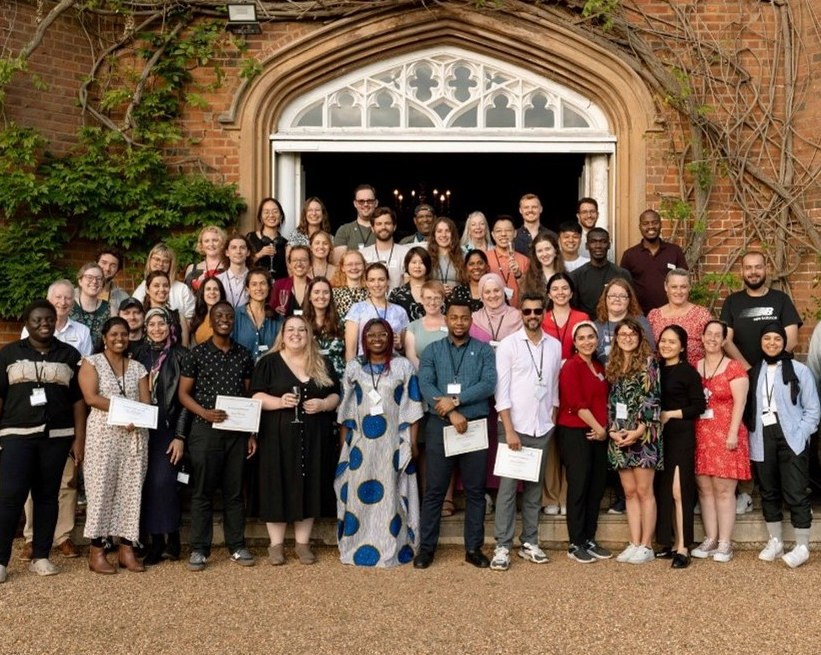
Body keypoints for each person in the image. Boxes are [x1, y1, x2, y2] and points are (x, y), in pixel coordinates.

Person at [0, 300, 86, 582]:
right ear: (27, 323)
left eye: (49, 319)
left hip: (57, 437)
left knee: (48, 497)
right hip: (16, 436)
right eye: (37, 319)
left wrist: (79, 439)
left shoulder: (69, 354)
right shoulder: (9, 353)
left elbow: (78, 402)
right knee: (11, 496)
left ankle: (41, 557)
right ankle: (1, 561)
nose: (44, 324)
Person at [415, 300, 497, 569]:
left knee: (475, 491)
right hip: (440, 425)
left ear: (471, 321)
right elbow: (426, 384)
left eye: (464, 318)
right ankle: (426, 549)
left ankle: (473, 548)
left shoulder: (484, 350)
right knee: (434, 490)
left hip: (474, 426)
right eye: (454, 317)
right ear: (446, 320)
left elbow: (488, 383)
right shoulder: (432, 350)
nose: (459, 322)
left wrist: (456, 401)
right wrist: (451, 413)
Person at [252, 315, 340, 565]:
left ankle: (302, 544)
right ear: (282, 334)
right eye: (290, 329)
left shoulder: (321, 362)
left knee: (309, 483)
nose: (296, 334)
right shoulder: (268, 362)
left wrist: (323, 404)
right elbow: (255, 396)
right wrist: (279, 402)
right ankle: (276, 545)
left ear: (309, 335)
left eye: (302, 329)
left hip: (314, 436)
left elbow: (336, 394)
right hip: (276, 437)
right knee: (276, 484)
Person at [336, 319, 424, 567]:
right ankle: (356, 545)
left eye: (382, 334)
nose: (377, 339)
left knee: (391, 497)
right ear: (364, 339)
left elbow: (413, 406)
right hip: (361, 445)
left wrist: (413, 444)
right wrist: (343, 448)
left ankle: (390, 547)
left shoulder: (402, 366)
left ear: (390, 337)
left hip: (392, 444)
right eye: (371, 335)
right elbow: (345, 412)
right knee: (358, 496)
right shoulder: (354, 367)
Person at [178, 301, 256, 571]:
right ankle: (199, 549)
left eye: (229, 316)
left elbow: (248, 395)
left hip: (236, 432)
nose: (224, 320)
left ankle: (237, 546)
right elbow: (183, 394)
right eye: (219, 316)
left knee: (234, 492)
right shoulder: (196, 354)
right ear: (210, 321)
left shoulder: (243, 355)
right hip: (204, 430)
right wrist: (205, 412)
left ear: (234, 321)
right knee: (203, 491)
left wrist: (251, 432)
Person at [18, 281, 92, 561]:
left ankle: (63, 535)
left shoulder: (81, 333)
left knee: (66, 481)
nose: (63, 302)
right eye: (58, 297)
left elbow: (82, 378)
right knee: (32, 481)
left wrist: (80, 434)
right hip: (31, 420)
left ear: (73, 302)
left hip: (63, 419)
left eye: (68, 298)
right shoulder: (31, 328)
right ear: (49, 300)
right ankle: (32, 537)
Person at [489, 292, 561, 571]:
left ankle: (530, 541)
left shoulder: (554, 345)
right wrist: (509, 430)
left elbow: (553, 386)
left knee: (534, 489)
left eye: (537, 311)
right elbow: (502, 391)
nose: (532, 316)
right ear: (521, 313)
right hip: (514, 427)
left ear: (544, 313)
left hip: (542, 427)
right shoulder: (509, 345)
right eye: (527, 311)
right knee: (508, 490)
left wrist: (552, 418)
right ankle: (502, 546)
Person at [743, 323, 820, 568]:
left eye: (777, 338)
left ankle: (802, 546)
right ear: (761, 342)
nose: (772, 343)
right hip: (761, 435)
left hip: (791, 435)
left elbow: (812, 409)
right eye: (767, 338)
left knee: (796, 490)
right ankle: (775, 540)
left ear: (784, 342)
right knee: (768, 489)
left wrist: (801, 434)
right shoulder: (754, 372)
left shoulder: (799, 370)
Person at [78, 317, 150, 574]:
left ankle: (126, 550)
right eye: (114, 334)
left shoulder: (138, 367)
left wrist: (136, 416)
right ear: (105, 337)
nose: (120, 339)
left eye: (124, 334)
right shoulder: (91, 362)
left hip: (134, 436)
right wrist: (125, 411)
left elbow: (146, 401)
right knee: (101, 490)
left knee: (131, 492)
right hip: (103, 436)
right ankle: (97, 551)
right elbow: (91, 397)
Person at [692, 320, 750, 563]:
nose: (713, 339)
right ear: (702, 337)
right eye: (709, 334)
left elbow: (740, 403)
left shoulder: (734, 367)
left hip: (727, 434)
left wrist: (733, 432)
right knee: (705, 490)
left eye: (718, 335)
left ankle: (725, 542)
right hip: (701, 434)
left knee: (724, 490)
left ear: (725, 340)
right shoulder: (695, 366)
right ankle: (711, 538)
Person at [606, 318, 662, 565]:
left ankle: (647, 545)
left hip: (643, 435)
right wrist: (612, 430)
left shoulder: (649, 363)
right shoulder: (614, 364)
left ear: (640, 337)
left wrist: (638, 431)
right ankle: (635, 541)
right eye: (623, 334)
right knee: (629, 492)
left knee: (643, 491)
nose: (627, 338)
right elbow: (611, 402)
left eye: (632, 334)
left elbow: (652, 399)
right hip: (620, 435)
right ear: (616, 338)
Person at [134, 308, 187, 565]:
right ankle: (155, 541)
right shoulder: (137, 354)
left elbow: (187, 399)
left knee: (164, 482)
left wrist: (180, 435)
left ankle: (173, 538)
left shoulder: (181, 355)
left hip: (168, 426)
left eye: (161, 323)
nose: (157, 328)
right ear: (145, 328)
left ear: (170, 326)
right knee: (146, 483)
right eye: (152, 324)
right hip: (143, 426)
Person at [557, 321, 612, 563]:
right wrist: (599, 428)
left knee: (596, 487)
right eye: (582, 338)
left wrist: (603, 430)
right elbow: (576, 403)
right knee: (579, 486)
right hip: (576, 432)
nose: (587, 341)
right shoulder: (571, 366)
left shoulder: (599, 367)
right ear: (575, 342)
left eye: (591, 337)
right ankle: (575, 542)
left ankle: (589, 538)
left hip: (599, 433)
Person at [653, 325, 705, 569]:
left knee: (678, 491)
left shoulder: (688, 372)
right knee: (664, 491)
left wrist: (670, 414)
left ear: (682, 347)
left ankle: (684, 547)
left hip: (680, 435)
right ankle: (671, 543)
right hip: (658, 438)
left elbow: (699, 406)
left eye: (672, 342)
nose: (666, 345)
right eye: (663, 340)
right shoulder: (655, 369)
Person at [719, 251, 802, 370]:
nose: (753, 272)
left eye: (758, 267)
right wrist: (749, 369)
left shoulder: (781, 299)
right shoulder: (732, 301)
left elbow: (792, 340)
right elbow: (726, 340)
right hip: (743, 373)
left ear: (766, 269)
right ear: (742, 271)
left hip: (777, 370)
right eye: (748, 268)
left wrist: (769, 368)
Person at [620, 210, 688, 314]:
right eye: (646, 223)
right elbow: (623, 287)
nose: (651, 226)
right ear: (640, 227)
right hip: (639, 316)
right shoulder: (629, 255)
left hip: (672, 313)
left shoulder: (674, 251)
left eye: (654, 222)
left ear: (660, 225)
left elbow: (684, 282)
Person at [344, 262, 409, 361]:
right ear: (366, 283)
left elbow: (405, 350)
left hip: (394, 366)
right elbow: (351, 350)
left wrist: (399, 346)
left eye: (381, 279)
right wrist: (352, 369)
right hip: (366, 366)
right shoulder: (357, 309)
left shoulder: (400, 311)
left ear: (387, 281)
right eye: (372, 280)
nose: (377, 284)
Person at [647, 268, 711, 366]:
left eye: (683, 287)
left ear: (689, 287)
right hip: (662, 372)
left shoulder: (701, 315)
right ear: (666, 287)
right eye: (674, 287)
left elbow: (713, 346)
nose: (679, 291)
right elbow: (647, 349)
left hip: (694, 372)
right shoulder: (654, 316)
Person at [570, 228, 632, 318]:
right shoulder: (576, 276)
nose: (598, 246)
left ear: (609, 245)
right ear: (587, 246)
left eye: (603, 242)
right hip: (587, 324)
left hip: (617, 324)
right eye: (593, 242)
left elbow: (631, 306)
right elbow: (573, 310)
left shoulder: (622, 274)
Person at [593, 278, 655, 363]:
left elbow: (650, 353)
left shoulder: (640, 322)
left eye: (622, 296)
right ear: (605, 298)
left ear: (629, 299)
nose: (617, 299)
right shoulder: (595, 326)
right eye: (613, 295)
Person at [132, 243, 196, 321]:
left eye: (165, 261)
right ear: (150, 260)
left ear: (171, 264)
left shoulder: (182, 289)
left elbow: (191, 317)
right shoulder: (142, 287)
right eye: (157, 259)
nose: (160, 264)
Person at [233, 269, 280, 362]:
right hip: (241, 369)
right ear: (247, 289)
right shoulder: (235, 315)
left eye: (263, 283)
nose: (259, 288)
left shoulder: (278, 319)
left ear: (269, 287)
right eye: (254, 284)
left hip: (269, 369)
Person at [303, 276, 345, 378]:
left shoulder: (342, 322)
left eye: (326, 292)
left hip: (338, 377)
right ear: (309, 297)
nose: (321, 296)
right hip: (310, 376)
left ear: (330, 296)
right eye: (316, 292)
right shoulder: (301, 323)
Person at [540, 273, 588, 361]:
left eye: (565, 288)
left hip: (576, 366)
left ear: (571, 293)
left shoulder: (583, 318)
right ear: (549, 295)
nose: (560, 292)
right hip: (549, 366)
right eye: (555, 289)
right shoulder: (542, 319)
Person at [360, 206, 410, 290]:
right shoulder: (362, 254)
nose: (383, 227)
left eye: (387, 223)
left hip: (397, 298)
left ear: (394, 227)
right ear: (372, 228)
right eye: (379, 224)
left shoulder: (405, 253)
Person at [487, 216, 529, 308]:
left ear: (515, 233)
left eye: (508, 230)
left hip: (518, 312)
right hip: (492, 311)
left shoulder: (524, 260)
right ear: (493, 235)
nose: (503, 234)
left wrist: (518, 274)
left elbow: (528, 291)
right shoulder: (485, 258)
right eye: (498, 231)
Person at [470, 273, 523, 347]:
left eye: (496, 290)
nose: (493, 295)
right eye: (487, 292)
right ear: (482, 295)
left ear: (503, 291)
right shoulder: (474, 319)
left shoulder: (518, 317)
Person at [405, 281, 448, 369]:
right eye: (428, 298)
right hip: (421, 374)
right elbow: (411, 356)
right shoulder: (413, 326)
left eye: (437, 298)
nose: (432, 302)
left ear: (443, 299)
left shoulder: (451, 324)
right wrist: (427, 373)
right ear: (421, 299)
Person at [143, 270, 190, 347]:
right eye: (156, 286)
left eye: (165, 285)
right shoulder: (141, 316)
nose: (162, 289)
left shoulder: (179, 317)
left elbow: (185, 349)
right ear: (147, 289)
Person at [333, 184, 378, 262]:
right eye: (361, 201)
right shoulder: (344, 230)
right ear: (355, 203)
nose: (366, 204)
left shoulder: (383, 229)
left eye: (369, 201)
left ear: (376, 203)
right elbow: (339, 263)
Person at [247, 198, 288, 280]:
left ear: (281, 216)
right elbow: (242, 263)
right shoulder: (250, 238)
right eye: (266, 212)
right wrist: (259, 254)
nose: (271, 215)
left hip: (279, 285)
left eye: (275, 212)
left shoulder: (286, 243)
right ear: (261, 217)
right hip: (256, 285)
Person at [70, 262, 110, 345]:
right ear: (80, 281)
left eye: (99, 278)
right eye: (89, 277)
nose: (94, 281)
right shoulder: (68, 306)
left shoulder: (109, 309)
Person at [388, 246, 432, 322]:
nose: (417, 266)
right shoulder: (397, 294)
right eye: (414, 262)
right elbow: (391, 320)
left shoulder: (436, 291)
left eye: (422, 263)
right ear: (407, 265)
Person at [427, 217, 465, 296]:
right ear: (434, 234)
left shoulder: (463, 255)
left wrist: (455, 289)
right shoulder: (426, 255)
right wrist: (436, 288)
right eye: (439, 231)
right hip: (433, 298)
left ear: (453, 234)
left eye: (447, 231)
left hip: (457, 298)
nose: (443, 235)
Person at [270, 245, 311, 317]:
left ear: (310, 264)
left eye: (303, 260)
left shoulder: (315, 286)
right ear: (289, 264)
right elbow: (269, 310)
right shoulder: (279, 285)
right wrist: (274, 311)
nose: (299, 264)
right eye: (294, 260)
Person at [184, 225, 228, 292]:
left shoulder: (229, 267)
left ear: (222, 243)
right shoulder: (192, 269)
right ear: (201, 245)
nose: (211, 244)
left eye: (215, 240)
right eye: (207, 241)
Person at [331, 249, 369, 318]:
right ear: (342, 268)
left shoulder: (371, 292)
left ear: (364, 266)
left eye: (358, 264)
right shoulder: (334, 293)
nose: (354, 267)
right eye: (349, 264)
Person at [217, 234, 251, 309]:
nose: (238, 251)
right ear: (227, 252)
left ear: (248, 252)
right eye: (234, 248)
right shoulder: (218, 280)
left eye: (242, 248)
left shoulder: (255, 280)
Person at [190, 277, 227, 345]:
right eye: (208, 289)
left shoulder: (228, 318)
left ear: (221, 293)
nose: (212, 292)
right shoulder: (198, 318)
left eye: (216, 289)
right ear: (203, 293)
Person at [95, 247, 129, 315]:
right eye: (104, 263)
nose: (107, 268)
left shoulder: (124, 298)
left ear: (117, 271)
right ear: (95, 264)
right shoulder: (76, 294)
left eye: (113, 265)